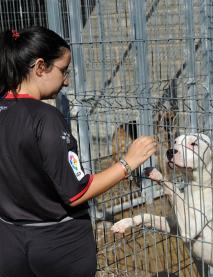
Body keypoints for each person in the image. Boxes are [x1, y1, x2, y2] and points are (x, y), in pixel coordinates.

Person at [0, 26, 157, 277]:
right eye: (63, 70)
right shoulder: (45, 119)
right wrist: (128, 162)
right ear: (40, 67)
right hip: (59, 247)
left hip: (10, 244)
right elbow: (76, 192)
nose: (67, 80)